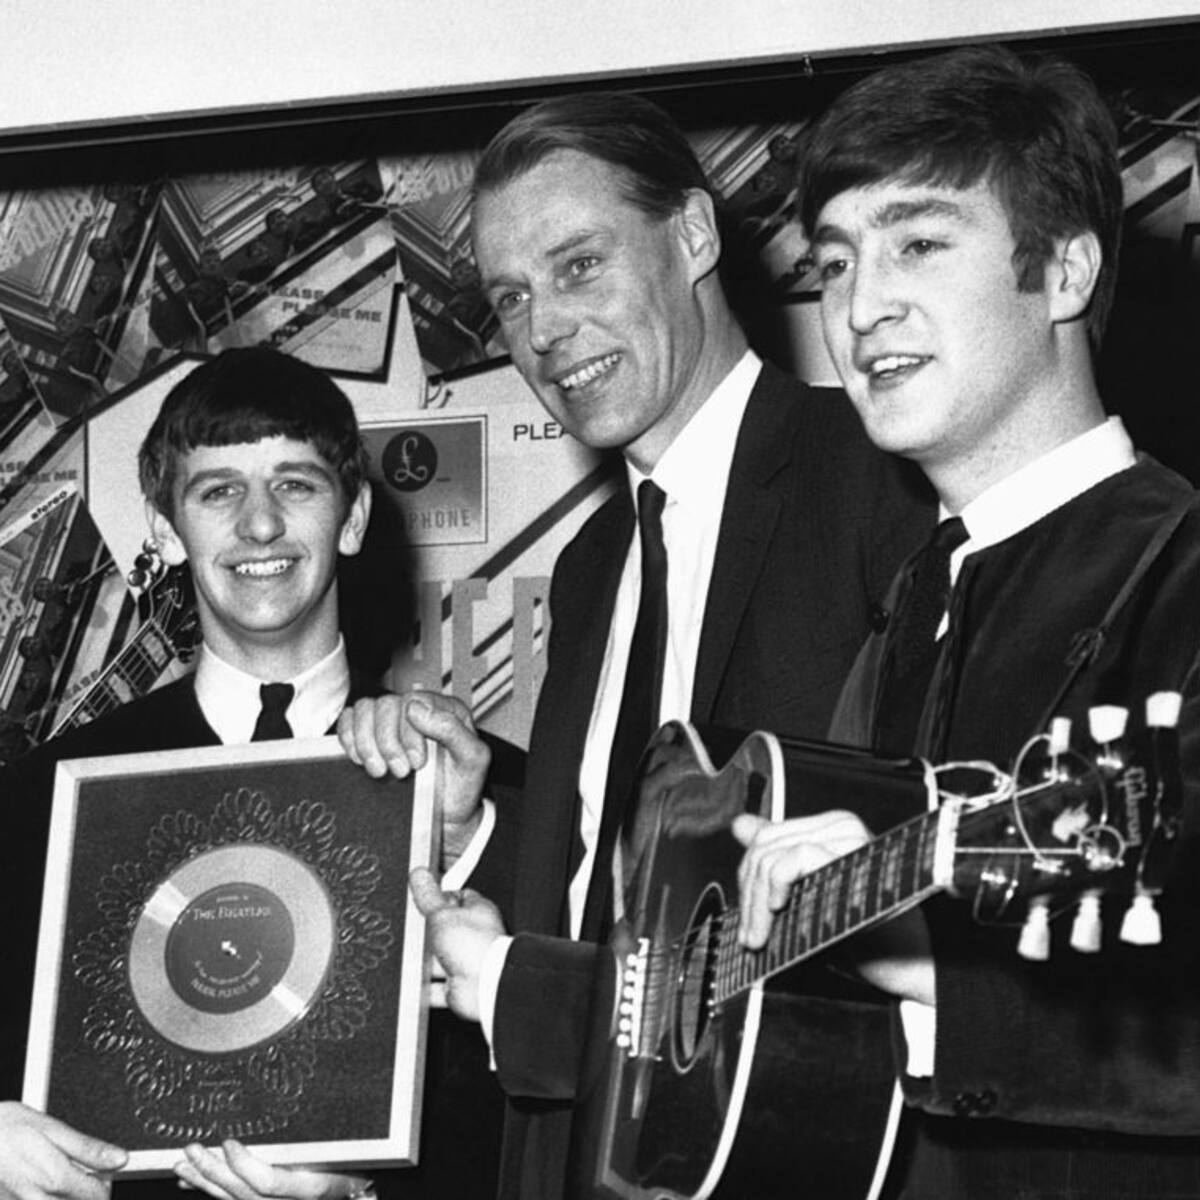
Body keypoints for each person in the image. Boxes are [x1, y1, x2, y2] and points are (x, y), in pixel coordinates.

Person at [324, 91, 934, 1200]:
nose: (544, 331)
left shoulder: (876, 481)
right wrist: (470, 833)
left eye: (579, 266)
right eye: (511, 297)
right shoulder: (596, 559)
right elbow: (605, 900)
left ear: (694, 235)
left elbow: (916, 896)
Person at [734, 44, 1200, 1199]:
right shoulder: (910, 604)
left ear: (1067, 271)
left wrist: (930, 965)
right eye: (834, 263)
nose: (859, 307)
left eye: (920, 244)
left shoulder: (1183, 573)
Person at [0, 347, 515, 1200]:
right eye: (218, 492)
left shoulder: (479, 793)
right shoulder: (41, 801)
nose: (261, 525)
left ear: (353, 518)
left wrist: (356, 1192)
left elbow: (537, 1127)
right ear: (166, 531)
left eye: (296, 485)